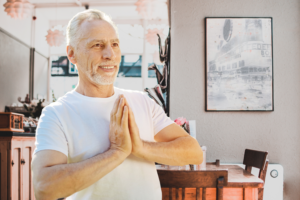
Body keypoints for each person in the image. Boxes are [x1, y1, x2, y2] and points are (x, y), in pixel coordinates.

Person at [31, 9, 203, 200]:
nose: (110, 54)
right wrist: (116, 153)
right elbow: (44, 187)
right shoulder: (56, 114)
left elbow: (193, 152)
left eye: (115, 44)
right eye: (97, 45)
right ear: (72, 54)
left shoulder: (142, 102)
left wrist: (140, 147)